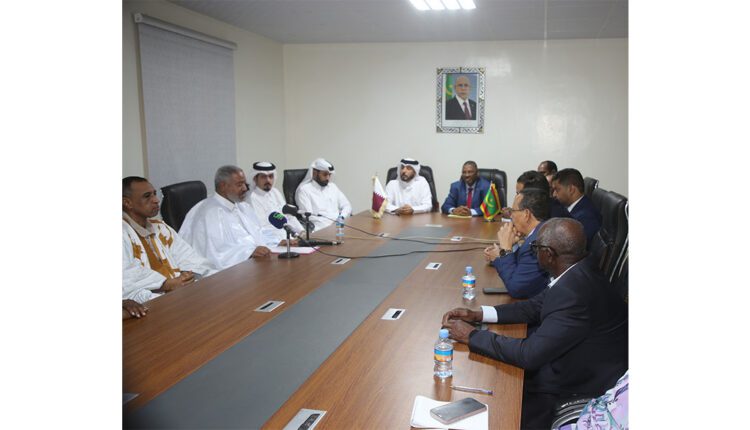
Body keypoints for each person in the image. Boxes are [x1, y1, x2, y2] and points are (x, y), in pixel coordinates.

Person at [442, 218, 628, 430]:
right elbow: (533, 306)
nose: (533, 252)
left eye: (535, 248)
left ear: (548, 254)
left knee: (498, 398)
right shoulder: (578, 269)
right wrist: (478, 315)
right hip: (578, 362)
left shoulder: (574, 293)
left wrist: (471, 336)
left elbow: (529, 355)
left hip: (581, 384)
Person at [122, 176, 217, 305]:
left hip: (179, 295)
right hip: (151, 301)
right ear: (127, 203)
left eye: (154, 194)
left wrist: (187, 276)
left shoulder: (160, 227)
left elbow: (189, 257)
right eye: (147, 196)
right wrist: (167, 284)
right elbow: (127, 278)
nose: (156, 200)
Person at [179, 165, 282, 270]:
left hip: (254, 264)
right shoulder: (209, 213)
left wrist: (277, 241)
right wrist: (249, 252)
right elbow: (216, 253)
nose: (245, 188)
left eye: (245, 184)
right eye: (239, 185)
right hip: (224, 274)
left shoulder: (242, 206)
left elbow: (257, 232)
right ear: (223, 186)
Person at [484, 188, 550, 299]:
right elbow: (521, 264)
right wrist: (503, 252)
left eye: (513, 211)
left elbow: (516, 289)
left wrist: (505, 249)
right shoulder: (539, 231)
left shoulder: (537, 242)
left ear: (526, 214)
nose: (510, 216)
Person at [245, 161, 304, 243]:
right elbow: (262, 227)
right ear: (255, 178)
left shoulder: (275, 192)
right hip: (272, 242)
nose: (268, 180)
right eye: (263, 177)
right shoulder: (251, 198)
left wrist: (302, 231)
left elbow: (288, 216)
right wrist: (282, 240)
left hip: (289, 238)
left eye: (270, 176)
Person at [295, 158, 352, 231]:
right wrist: (332, 224)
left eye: (329, 175)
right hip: (321, 229)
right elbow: (308, 216)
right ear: (315, 173)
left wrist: (341, 217)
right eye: (325, 174)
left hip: (340, 226)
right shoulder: (304, 190)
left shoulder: (332, 187)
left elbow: (347, 205)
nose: (328, 178)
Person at [551, 168, 602, 246]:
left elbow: (573, 247)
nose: (554, 194)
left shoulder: (585, 217)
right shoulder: (573, 207)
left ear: (571, 189)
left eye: (557, 190)